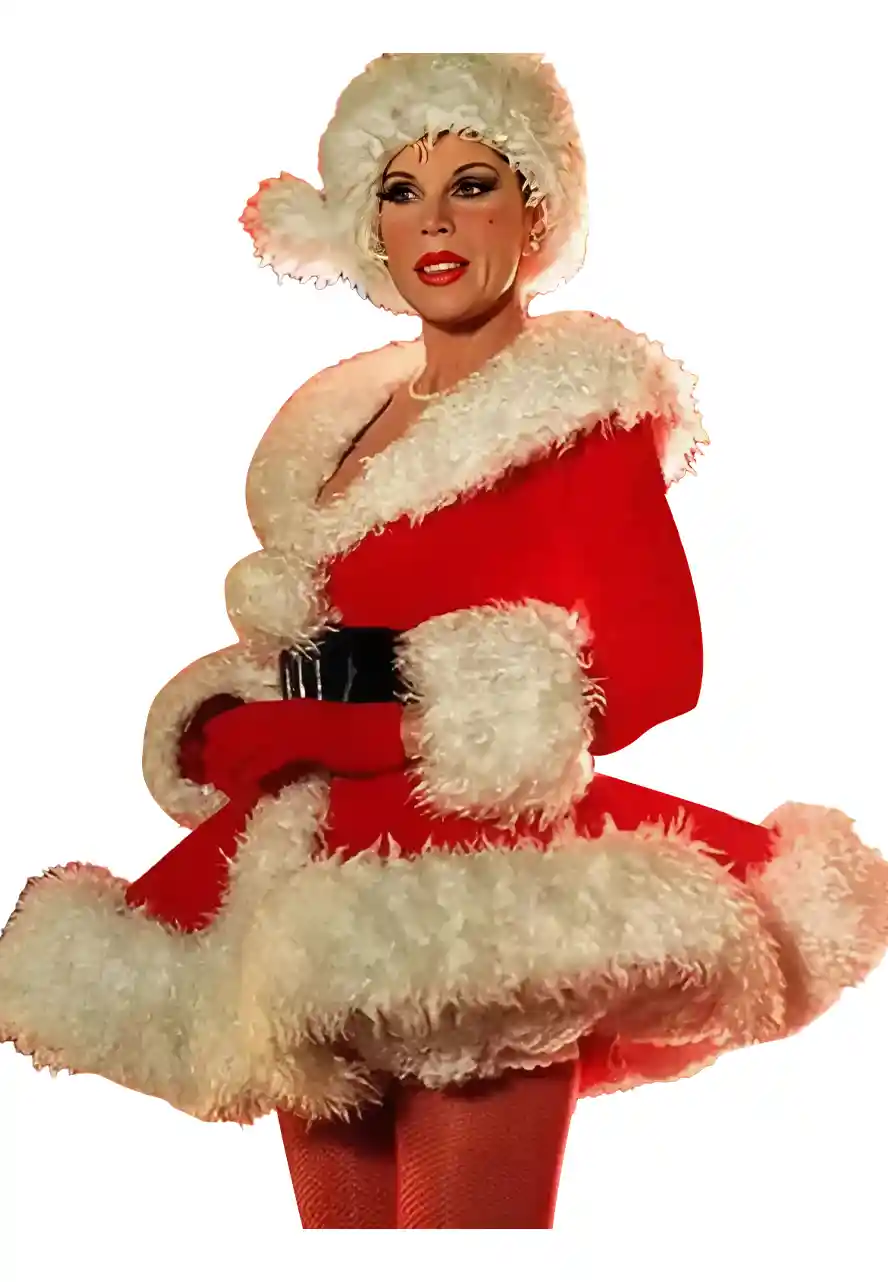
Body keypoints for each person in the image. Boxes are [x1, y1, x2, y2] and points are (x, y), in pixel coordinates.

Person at [1, 52, 887, 1232]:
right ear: (365, 224)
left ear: (537, 211)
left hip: (483, 889)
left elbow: (656, 670)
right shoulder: (340, 431)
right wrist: (241, 714)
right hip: (308, 875)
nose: (434, 221)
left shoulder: (582, 410)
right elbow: (337, 637)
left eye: (472, 185)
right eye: (399, 191)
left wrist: (393, 726)